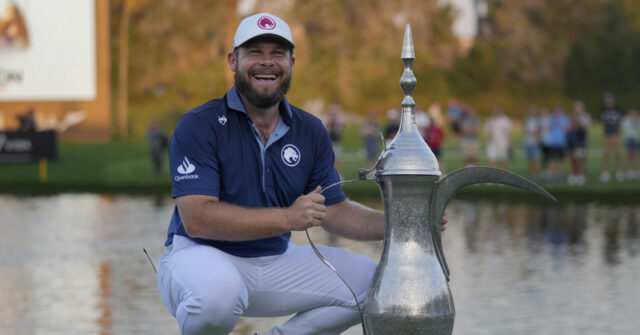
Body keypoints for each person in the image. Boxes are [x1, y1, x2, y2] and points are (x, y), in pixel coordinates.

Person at [156, 13, 447, 335]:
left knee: (380, 286)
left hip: (275, 259)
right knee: (216, 297)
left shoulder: (309, 130)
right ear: (232, 60)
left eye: (277, 54)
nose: (267, 62)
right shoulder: (200, 124)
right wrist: (287, 219)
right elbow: (198, 218)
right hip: (199, 254)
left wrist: (410, 223)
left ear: (292, 62)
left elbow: (334, 211)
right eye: (255, 52)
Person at [541, 105, 570, 182]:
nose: (557, 112)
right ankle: (550, 176)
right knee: (550, 160)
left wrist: (559, 123)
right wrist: (553, 123)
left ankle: (560, 175)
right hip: (552, 142)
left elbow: (567, 129)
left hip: (561, 142)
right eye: (556, 111)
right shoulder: (550, 118)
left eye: (559, 111)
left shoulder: (565, 118)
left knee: (560, 160)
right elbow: (546, 127)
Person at [599, 92, 624, 182]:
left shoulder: (618, 110)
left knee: (618, 154)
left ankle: (619, 172)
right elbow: (602, 122)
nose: (609, 103)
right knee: (606, 155)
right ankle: (606, 172)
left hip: (616, 134)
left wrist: (619, 134)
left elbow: (620, 122)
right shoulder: (603, 110)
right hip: (607, 135)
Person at [567, 101, 591, 185]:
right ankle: (573, 175)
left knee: (580, 159)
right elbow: (569, 128)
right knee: (572, 158)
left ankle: (581, 175)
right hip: (572, 140)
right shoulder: (571, 116)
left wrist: (579, 120)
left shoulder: (586, 117)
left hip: (580, 140)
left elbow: (587, 127)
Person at [323, 102, 345, 175]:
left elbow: (342, 133)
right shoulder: (327, 122)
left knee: (337, 159)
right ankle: (329, 174)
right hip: (328, 143)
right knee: (328, 159)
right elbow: (325, 132)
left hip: (336, 142)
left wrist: (337, 128)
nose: (333, 116)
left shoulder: (338, 123)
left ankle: (338, 174)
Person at [522, 106, 542, 178]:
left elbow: (538, 131)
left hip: (535, 143)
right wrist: (531, 132)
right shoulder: (526, 120)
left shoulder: (538, 121)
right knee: (528, 159)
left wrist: (531, 133)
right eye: (531, 112)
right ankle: (530, 174)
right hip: (527, 142)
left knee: (536, 159)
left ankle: (536, 174)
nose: (532, 113)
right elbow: (524, 131)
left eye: (533, 112)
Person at [621, 107, 640, 180]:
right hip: (630, 139)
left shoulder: (638, 120)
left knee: (637, 156)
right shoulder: (626, 121)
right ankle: (630, 171)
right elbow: (626, 131)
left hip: (638, 139)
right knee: (630, 156)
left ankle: (637, 171)